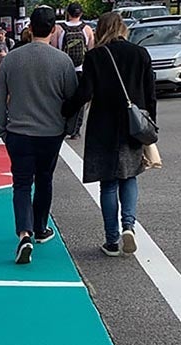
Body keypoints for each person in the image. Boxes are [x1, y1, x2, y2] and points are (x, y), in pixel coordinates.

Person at [62, 12, 156, 257]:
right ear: (123, 28)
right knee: (130, 176)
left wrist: (65, 111)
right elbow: (150, 93)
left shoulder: (95, 57)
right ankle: (129, 225)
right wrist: (150, 125)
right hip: (133, 126)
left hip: (103, 126)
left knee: (108, 183)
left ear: (101, 30)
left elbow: (85, 93)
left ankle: (112, 240)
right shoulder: (140, 54)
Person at [0, 6, 78, 264]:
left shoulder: (12, 59)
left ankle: (24, 233)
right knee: (44, 179)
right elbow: (72, 99)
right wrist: (69, 127)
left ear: (29, 28)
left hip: (18, 131)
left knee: (20, 183)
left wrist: (0, 128)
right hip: (50, 131)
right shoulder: (62, 61)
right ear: (53, 29)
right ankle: (41, 227)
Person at [53, 2, 94, 139]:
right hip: (81, 69)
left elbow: (54, 48)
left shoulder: (59, 28)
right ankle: (76, 129)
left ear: (67, 13)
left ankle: (64, 125)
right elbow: (91, 50)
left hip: (64, 68)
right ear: (81, 14)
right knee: (80, 100)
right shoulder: (86, 29)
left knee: (64, 97)